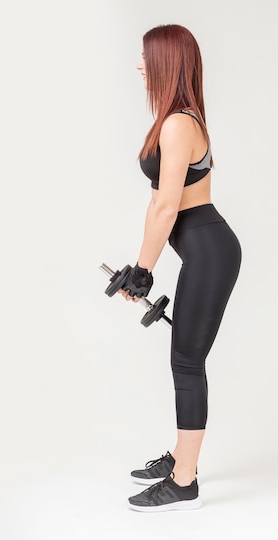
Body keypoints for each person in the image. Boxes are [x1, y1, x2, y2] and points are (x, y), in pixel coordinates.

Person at [119, 24, 241, 512]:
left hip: (211, 251)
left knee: (187, 363)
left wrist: (144, 270)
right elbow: (157, 207)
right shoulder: (174, 119)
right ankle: (179, 458)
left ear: (167, 63)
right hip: (202, 249)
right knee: (185, 360)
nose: (139, 66)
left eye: (146, 58)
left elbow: (169, 205)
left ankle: (184, 480)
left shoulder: (178, 124)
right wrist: (139, 266)